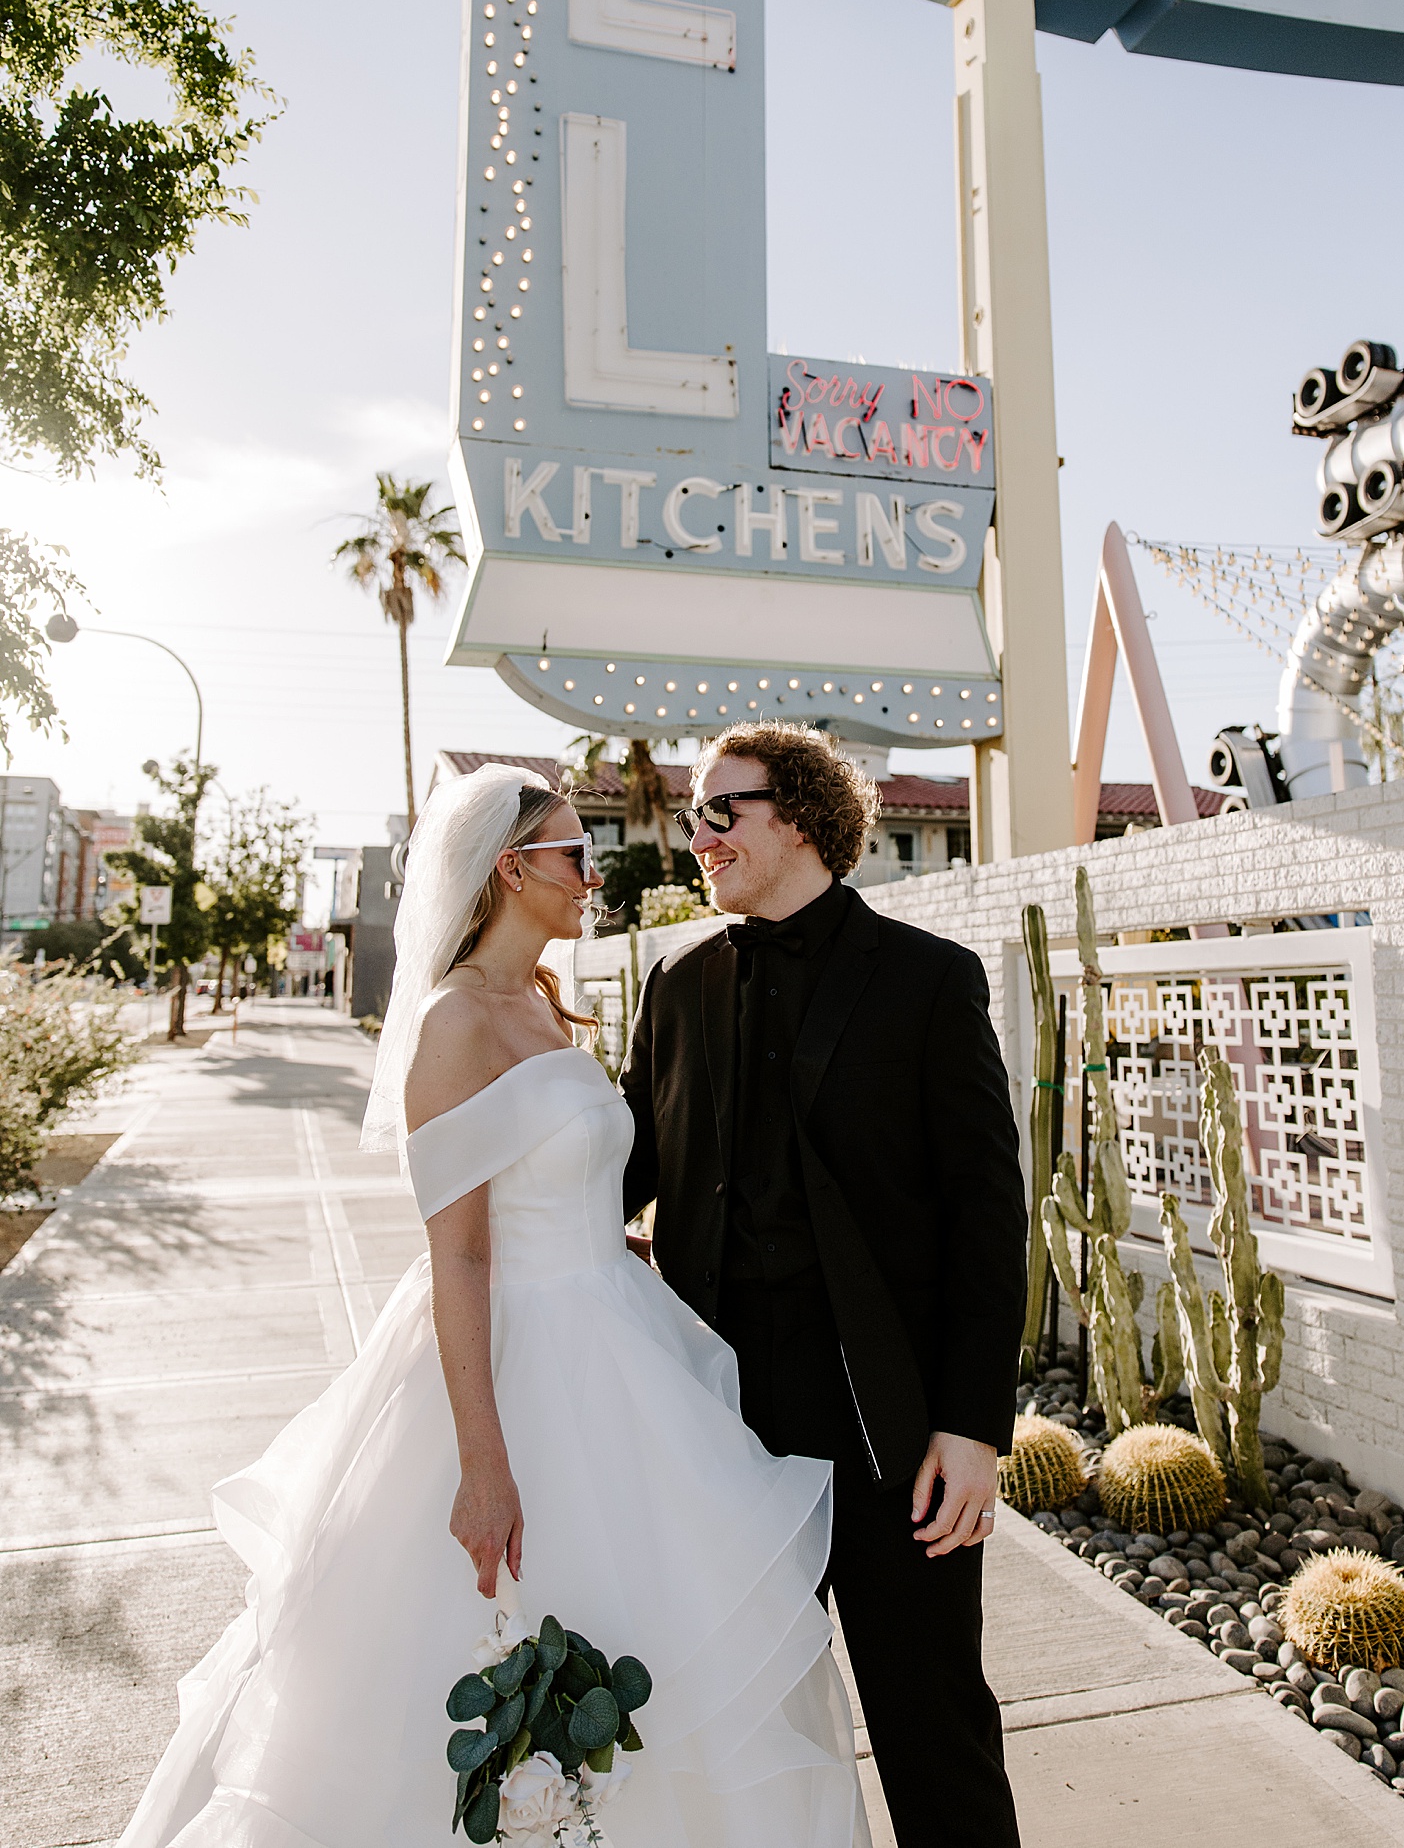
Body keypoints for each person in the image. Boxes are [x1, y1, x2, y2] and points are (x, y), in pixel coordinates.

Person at [119, 761, 869, 1848]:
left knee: (669, 1649)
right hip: (510, 1370)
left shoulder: (539, 1004)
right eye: (574, 853)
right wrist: (483, 1457)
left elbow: (548, 1185)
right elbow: (458, 1257)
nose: (591, 873)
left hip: (618, 1344)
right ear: (512, 870)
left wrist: (604, 1237)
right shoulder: (454, 1025)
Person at [621, 723, 1028, 1848]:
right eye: (693, 817)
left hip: (888, 1426)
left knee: (931, 1719)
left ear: (796, 814)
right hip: (721, 1429)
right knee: (748, 1727)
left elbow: (988, 1220)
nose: (697, 838)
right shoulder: (677, 984)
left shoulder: (929, 982)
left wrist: (973, 1426)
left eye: (720, 812)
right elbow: (613, 1177)